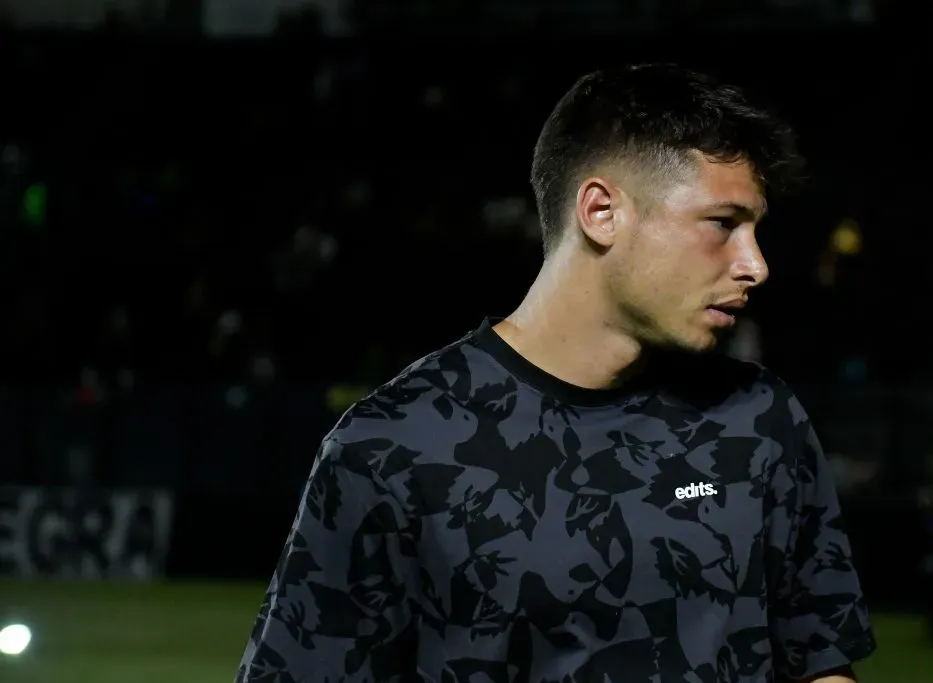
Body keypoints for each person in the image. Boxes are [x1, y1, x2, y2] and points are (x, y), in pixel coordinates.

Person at [237, 63, 876, 683]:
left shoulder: (760, 419)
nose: (755, 265)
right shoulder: (389, 450)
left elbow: (816, 660)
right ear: (601, 212)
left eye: (756, 230)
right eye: (723, 224)